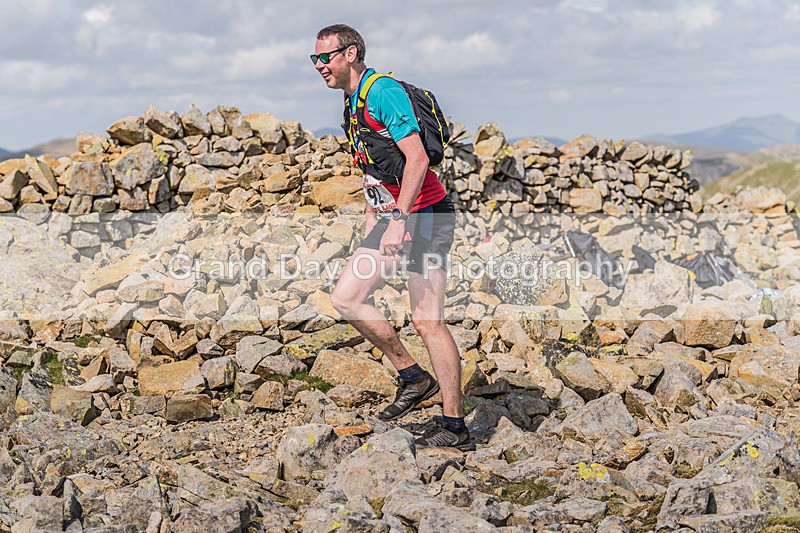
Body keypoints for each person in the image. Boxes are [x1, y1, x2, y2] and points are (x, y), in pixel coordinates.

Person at [312, 24, 472, 450]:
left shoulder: (381, 91)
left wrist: (400, 219)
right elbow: (372, 169)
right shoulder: (352, 102)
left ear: (350, 54)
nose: (319, 66)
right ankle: (413, 377)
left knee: (427, 320)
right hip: (392, 216)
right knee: (346, 297)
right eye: (315, 59)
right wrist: (374, 225)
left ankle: (455, 428)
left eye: (324, 57)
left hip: (427, 216)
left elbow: (418, 160)